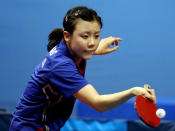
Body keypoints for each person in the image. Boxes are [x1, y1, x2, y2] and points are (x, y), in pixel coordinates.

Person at [9, 6, 156, 131]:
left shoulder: (72, 50)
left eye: (96, 35)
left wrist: (96, 48)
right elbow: (98, 104)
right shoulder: (61, 66)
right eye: (85, 36)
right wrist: (133, 91)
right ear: (67, 35)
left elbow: (88, 46)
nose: (92, 43)